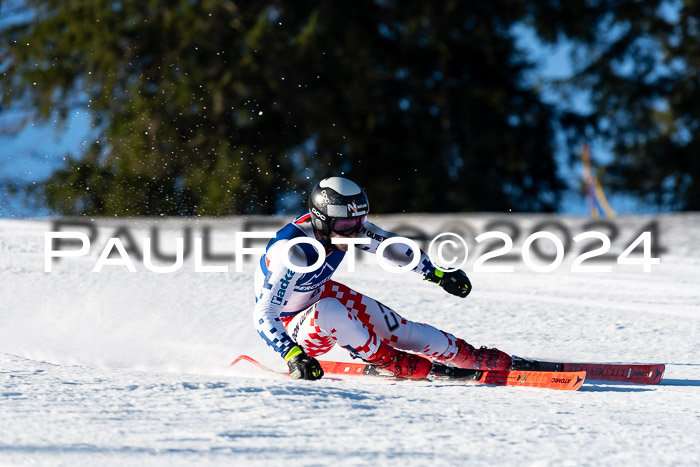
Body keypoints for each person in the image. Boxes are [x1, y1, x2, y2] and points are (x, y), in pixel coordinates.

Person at [253, 176, 511, 380]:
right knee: (329, 310)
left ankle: (468, 355)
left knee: (398, 329)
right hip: (291, 327)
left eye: (360, 222)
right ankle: (389, 361)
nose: (354, 234)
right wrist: (293, 354)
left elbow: (391, 247)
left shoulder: (346, 228)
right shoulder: (293, 251)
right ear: (321, 220)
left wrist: (437, 274)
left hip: (319, 293)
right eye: (345, 227)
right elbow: (264, 313)